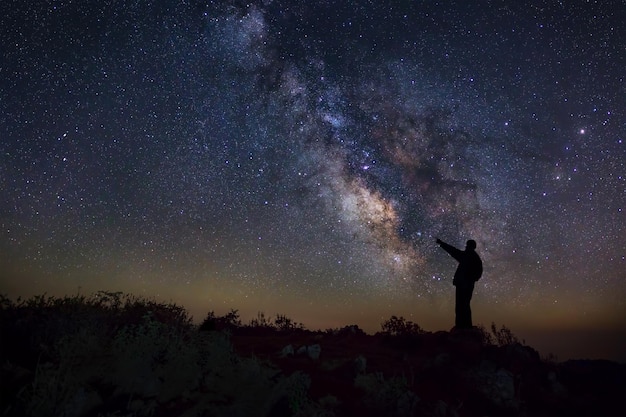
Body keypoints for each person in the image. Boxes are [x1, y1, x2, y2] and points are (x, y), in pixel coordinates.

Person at [436, 238, 483, 329]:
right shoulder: (472, 257)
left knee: (462, 305)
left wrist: (469, 280)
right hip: (464, 283)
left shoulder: (468, 256)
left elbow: (454, 251)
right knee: (463, 305)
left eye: (467, 245)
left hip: (464, 284)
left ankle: (463, 327)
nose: (466, 247)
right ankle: (463, 326)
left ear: (470, 246)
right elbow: (454, 251)